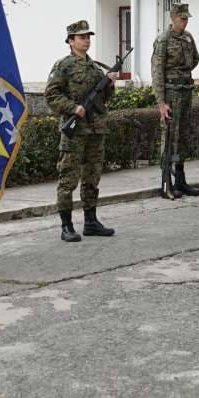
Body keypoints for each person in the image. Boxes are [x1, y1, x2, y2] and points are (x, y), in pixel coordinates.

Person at [44, 20, 119, 242]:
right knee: (68, 178)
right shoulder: (63, 66)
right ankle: (66, 226)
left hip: (96, 130)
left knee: (92, 177)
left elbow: (105, 99)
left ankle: (91, 221)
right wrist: (73, 108)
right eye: (81, 37)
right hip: (75, 131)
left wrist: (110, 84)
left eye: (88, 37)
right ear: (70, 41)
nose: (86, 40)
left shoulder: (95, 67)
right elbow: (51, 95)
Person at [151, 3, 199, 195]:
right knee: (170, 137)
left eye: (187, 18)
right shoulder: (163, 39)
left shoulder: (188, 38)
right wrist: (161, 103)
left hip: (186, 91)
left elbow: (195, 59)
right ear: (173, 18)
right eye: (182, 19)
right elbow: (157, 72)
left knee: (183, 137)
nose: (185, 22)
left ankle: (180, 180)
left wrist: (182, 73)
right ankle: (166, 183)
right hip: (171, 93)